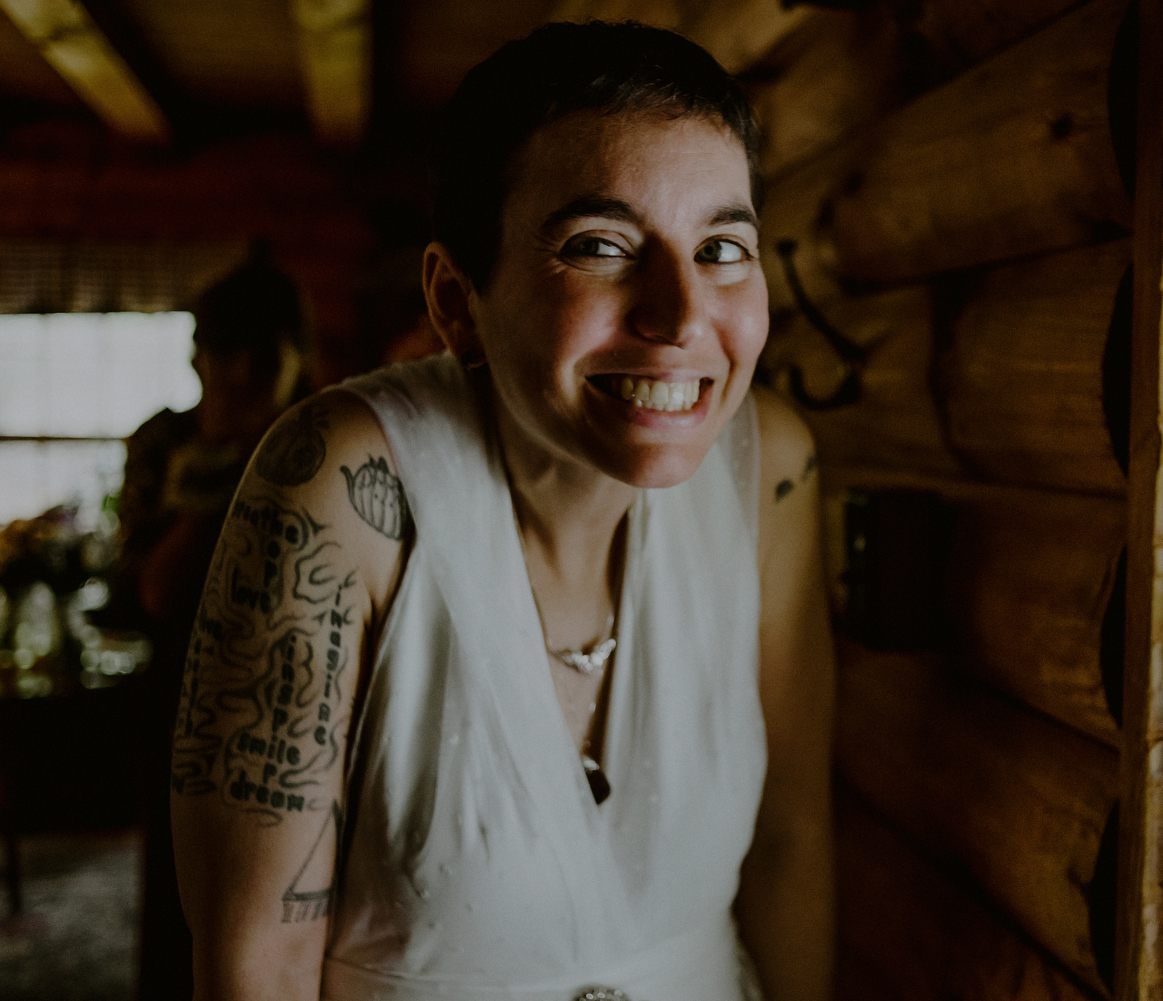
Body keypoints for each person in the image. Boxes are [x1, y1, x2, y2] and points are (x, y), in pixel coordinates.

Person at [169, 21, 835, 1001]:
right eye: (601, 244)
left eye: (722, 246)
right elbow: (255, 963)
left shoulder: (771, 468)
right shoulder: (343, 486)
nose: (681, 314)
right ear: (456, 298)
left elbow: (791, 833)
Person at [112, 248, 306, 1001]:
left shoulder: (329, 433)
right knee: (182, 889)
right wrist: (220, 464)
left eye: (239, 358)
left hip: (305, 695)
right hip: (183, 700)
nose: (216, 372)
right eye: (210, 353)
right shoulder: (167, 445)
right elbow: (156, 593)